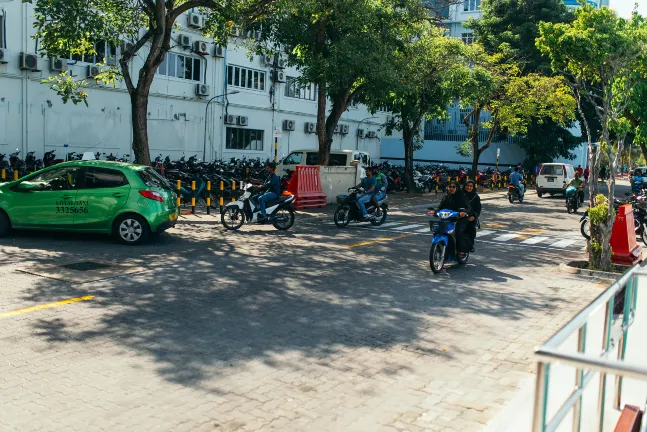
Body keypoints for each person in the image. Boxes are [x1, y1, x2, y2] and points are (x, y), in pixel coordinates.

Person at [429, 181, 471, 257]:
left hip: (459, 218)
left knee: (458, 232)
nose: (451, 188)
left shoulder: (461, 196)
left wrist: (462, 212)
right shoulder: (446, 197)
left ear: (457, 188)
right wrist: (435, 211)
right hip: (447, 218)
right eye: (450, 187)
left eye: (453, 187)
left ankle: (461, 250)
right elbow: (440, 207)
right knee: (437, 230)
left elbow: (467, 208)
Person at [463, 180, 481, 253]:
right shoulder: (459, 195)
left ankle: (470, 245)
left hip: (470, 217)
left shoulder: (475, 197)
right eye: (467, 185)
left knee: (470, 228)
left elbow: (478, 209)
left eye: (471, 186)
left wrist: (473, 216)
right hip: (458, 215)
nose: (469, 187)